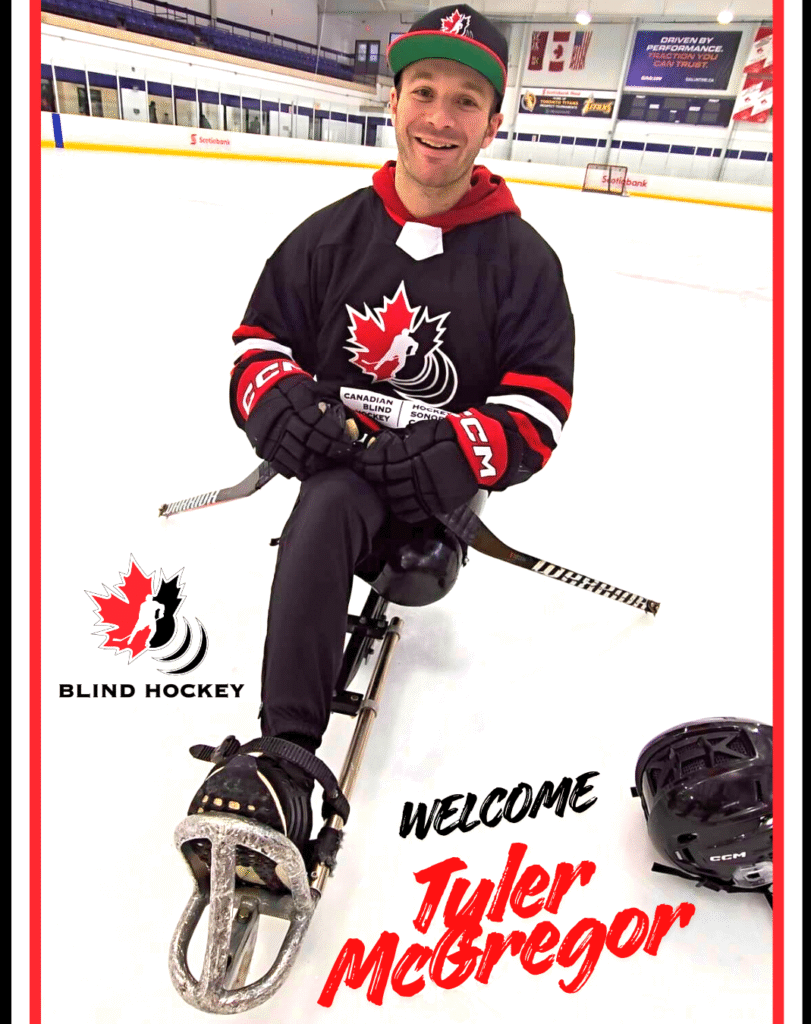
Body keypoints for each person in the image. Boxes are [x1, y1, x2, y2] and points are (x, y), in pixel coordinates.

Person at [187, 5, 575, 890]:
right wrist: (277, 402)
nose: (439, 117)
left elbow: (541, 405)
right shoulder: (329, 233)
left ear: (493, 121)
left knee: (368, 533)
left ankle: (284, 762)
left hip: (431, 497)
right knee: (328, 501)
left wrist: (454, 452)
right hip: (344, 472)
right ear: (392, 100)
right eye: (423, 91)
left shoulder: (524, 263)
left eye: (465, 100)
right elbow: (258, 346)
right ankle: (286, 761)